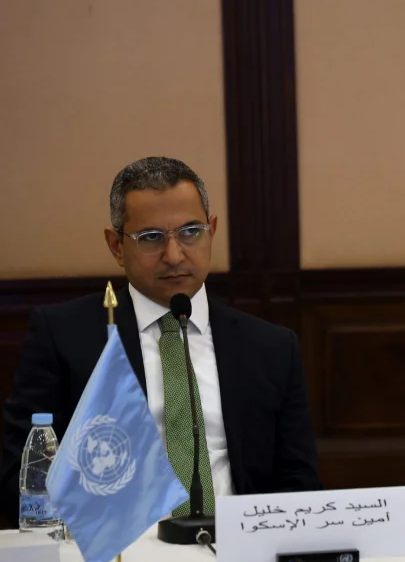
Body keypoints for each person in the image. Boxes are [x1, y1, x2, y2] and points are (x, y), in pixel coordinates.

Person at [1, 157, 321, 526]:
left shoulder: (272, 347)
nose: (174, 255)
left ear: (212, 231)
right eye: (151, 238)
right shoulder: (66, 336)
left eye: (190, 232)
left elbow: (300, 484)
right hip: (119, 550)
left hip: (239, 546)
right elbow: (21, 478)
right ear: (116, 246)